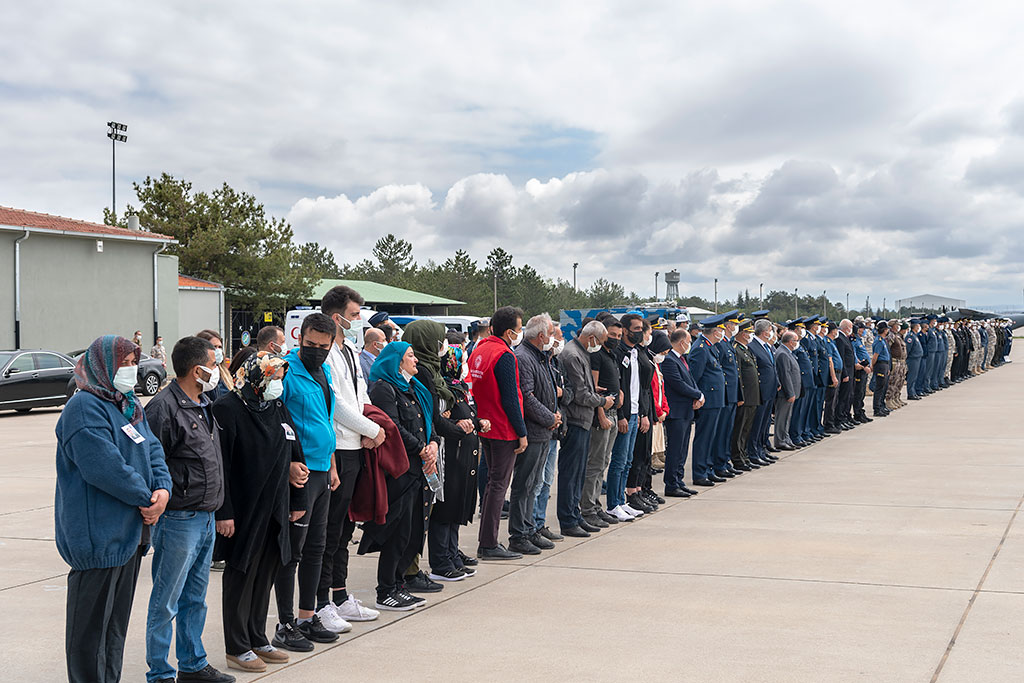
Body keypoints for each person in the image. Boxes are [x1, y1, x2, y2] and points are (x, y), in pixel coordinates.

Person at [56, 335, 172, 683]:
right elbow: (103, 466)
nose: (131, 370)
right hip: (99, 539)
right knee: (89, 638)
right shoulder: (83, 407)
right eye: (124, 363)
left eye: (134, 363)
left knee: (114, 632)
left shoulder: (127, 404)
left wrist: (162, 490)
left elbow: (153, 450)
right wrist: (146, 498)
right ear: (102, 365)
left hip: (130, 537)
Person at [144, 336, 234, 683]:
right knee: (166, 600)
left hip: (206, 515)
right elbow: (151, 463)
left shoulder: (204, 401)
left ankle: (193, 664)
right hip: (179, 519)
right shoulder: (163, 408)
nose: (217, 369)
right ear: (197, 370)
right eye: (213, 364)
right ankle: (160, 673)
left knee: (196, 597)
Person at [213, 351, 306, 673]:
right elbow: (221, 464)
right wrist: (223, 511)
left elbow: (295, 450)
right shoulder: (227, 409)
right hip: (244, 505)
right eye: (274, 378)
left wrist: (297, 500)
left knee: (266, 570)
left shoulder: (275, 405)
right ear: (257, 377)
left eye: (280, 378)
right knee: (241, 572)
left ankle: (257, 636)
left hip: (276, 503)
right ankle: (237, 645)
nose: (278, 384)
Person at [317, 286, 384, 632]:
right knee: (328, 530)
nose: (359, 321)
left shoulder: (349, 350)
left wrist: (367, 430)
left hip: (355, 446)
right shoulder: (326, 353)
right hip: (338, 449)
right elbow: (337, 405)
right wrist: (371, 429)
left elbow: (359, 395)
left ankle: (340, 594)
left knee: (345, 528)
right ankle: (320, 601)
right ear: (336, 316)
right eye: (355, 315)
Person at [273, 313, 339, 650]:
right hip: (298, 473)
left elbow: (326, 418)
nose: (315, 350)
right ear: (300, 340)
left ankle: (306, 615)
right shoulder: (285, 372)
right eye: (309, 344)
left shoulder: (324, 370)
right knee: (292, 552)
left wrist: (331, 464)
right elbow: (275, 423)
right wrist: (288, 465)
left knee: (316, 547)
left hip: (321, 469)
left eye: (322, 346)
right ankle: (284, 623)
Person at [364, 342, 438, 610]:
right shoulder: (385, 388)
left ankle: (398, 585)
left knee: (409, 532)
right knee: (396, 532)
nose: (415, 360)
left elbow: (427, 423)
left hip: (418, 468)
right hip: (401, 471)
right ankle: (386, 590)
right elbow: (392, 426)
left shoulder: (412, 387)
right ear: (396, 361)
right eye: (410, 356)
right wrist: (421, 449)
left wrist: (433, 444)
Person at [399, 320, 470, 590]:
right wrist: (453, 428)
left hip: (436, 444)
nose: (444, 346)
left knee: (434, 506)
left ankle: (428, 562)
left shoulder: (433, 370)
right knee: (421, 512)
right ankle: (411, 570)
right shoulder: (423, 373)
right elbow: (430, 416)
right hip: (425, 448)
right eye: (439, 340)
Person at [469, 306, 529, 560]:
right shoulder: (503, 354)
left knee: (493, 482)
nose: (520, 333)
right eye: (518, 329)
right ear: (507, 331)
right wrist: (521, 431)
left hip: (484, 423)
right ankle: (489, 543)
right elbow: (510, 398)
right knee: (498, 486)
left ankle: (488, 540)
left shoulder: (480, 350)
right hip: (502, 427)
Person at [428, 346, 490, 580]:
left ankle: (452, 553)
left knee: (458, 508)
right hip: (449, 457)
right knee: (446, 509)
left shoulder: (459, 388)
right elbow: (441, 421)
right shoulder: (442, 391)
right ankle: (441, 561)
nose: (464, 366)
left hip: (465, 456)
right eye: (461, 360)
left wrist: (478, 421)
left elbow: (468, 414)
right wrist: (459, 424)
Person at [509, 313, 561, 553]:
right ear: (541, 336)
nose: (552, 338)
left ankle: (529, 529)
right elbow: (527, 397)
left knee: (534, 484)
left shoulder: (540, 357)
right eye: (550, 334)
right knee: (525, 484)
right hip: (534, 430)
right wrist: (549, 417)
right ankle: (519, 535)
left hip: (543, 431)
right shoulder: (524, 357)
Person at [559, 320, 615, 529]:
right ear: (591, 338)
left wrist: (595, 392)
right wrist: (602, 401)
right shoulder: (573, 354)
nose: (600, 345)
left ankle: (575, 515)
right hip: (575, 420)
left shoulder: (582, 352)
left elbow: (584, 387)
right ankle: (569, 519)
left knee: (579, 472)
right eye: (600, 341)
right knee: (571, 473)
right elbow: (580, 394)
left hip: (583, 419)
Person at [580, 319, 622, 526]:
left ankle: (596, 505)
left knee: (603, 462)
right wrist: (601, 415)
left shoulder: (610, 355)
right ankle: (588, 508)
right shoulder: (596, 355)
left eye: (618, 336)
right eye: (612, 335)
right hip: (601, 417)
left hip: (612, 412)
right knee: (595, 464)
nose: (615, 340)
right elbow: (594, 388)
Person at [606, 313, 649, 515]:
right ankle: (613, 504)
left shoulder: (635, 352)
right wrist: (621, 415)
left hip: (634, 412)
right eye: (636, 329)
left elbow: (638, 387)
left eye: (641, 329)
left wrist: (641, 412)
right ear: (625, 330)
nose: (639, 333)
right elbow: (619, 387)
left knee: (629, 460)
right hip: (624, 413)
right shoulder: (619, 352)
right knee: (619, 460)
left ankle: (622, 501)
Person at [661, 328, 703, 496]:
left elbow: (691, 381)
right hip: (676, 411)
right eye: (688, 341)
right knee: (675, 449)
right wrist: (697, 394)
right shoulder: (669, 360)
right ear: (681, 342)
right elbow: (678, 384)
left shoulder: (681, 359)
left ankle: (679, 480)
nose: (689, 345)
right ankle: (671, 484)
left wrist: (698, 395)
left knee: (683, 449)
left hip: (686, 410)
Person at [688, 314, 727, 486]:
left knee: (712, 436)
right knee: (704, 437)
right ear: (715, 331)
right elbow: (695, 377)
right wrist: (697, 397)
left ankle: (708, 469)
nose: (722, 333)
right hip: (707, 400)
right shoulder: (700, 348)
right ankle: (699, 472)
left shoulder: (712, 346)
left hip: (716, 399)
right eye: (721, 330)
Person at [713, 311, 743, 479]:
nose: (735, 327)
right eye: (733, 324)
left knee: (727, 431)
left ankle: (724, 462)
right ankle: (719, 464)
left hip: (731, 394)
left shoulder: (728, 343)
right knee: (722, 431)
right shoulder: (721, 344)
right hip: (724, 394)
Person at [747, 318, 778, 465]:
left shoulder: (767, 346)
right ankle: (753, 452)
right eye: (771, 331)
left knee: (765, 424)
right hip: (760, 391)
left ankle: (761, 449)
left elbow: (771, 367)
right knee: (757, 424)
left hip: (770, 390)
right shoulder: (753, 346)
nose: (772, 333)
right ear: (765, 332)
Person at [730, 319, 760, 471]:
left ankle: (744, 456)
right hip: (745, 396)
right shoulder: (736, 349)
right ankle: (737, 458)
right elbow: (739, 376)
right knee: (739, 429)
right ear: (742, 333)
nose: (750, 335)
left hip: (753, 396)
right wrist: (740, 396)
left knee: (747, 429)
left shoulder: (746, 349)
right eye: (749, 332)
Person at [773, 332, 801, 450]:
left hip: (791, 392)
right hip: (785, 393)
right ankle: (780, 440)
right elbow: (785, 375)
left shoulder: (787, 352)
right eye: (795, 341)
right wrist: (790, 393)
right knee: (782, 418)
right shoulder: (783, 354)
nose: (796, 343)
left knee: (787, 418)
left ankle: (785, 438)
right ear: (790, 342)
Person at [196, 330, 233, 402]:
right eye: (214, 347)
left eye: (220, 347)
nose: (218, 350)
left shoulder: (224, 373)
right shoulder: (200, 375)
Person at [871, 320, 892, 418]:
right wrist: (873, 366)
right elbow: (875, 356)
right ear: (884, 330)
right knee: (879, 388)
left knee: (883, 387)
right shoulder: (879, 341)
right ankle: (877, 408)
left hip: (884, 365)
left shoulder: (882, 340)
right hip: (880, 365)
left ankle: (880, 406)